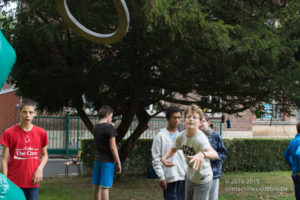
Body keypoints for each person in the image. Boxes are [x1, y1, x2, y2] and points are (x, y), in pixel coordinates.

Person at [162, 104, 219, 200]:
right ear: (184, 120)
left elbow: (215, 155)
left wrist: (202, 154)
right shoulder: (181, 136)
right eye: (188, 117)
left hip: (203, 180)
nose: (191, 119)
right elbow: (173, 148)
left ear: (200, 122)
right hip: (189, 177)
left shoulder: (200, 139)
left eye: (195, 117)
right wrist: (164, 158)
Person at [0, 99, 48, 200]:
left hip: (33, 182)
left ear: (35, 113)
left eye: (30, 112)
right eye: (24, 112)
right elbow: (4, 159)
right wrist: (4, 182)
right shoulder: (9, 133)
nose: (27, 115)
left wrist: (40, 169)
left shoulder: (41, 133)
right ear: (19, 112)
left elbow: (45, 155)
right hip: (13, 182)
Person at [151, 106, 187, 200]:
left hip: (183, 177)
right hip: (169, 178)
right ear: (167, 118)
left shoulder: (183, 136)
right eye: (174, 117)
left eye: (179, 117)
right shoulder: (160, 136)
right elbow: (156, 159)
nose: (177, 120)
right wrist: (161, 177)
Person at [92, 105, 121, 200]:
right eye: (111, 116)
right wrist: (118, 162)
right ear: (107, 115)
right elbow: (113, 147)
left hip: (98, 159)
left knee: (97, 186)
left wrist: (111, 127)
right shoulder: (109, 128)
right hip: (107, 161)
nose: (111, 118)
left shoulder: (95, 127)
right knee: (105, 187)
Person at [200, 114, 227, 200]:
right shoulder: (195, 137)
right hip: (199, 174)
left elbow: (223, 154)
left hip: (213, 173)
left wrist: (213, 159)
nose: (201, 123)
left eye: (203, 121)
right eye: (199, 121)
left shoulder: (216, 136)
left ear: (208, 123)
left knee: (212, 198)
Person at [284, 122, 300, 200]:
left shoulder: (293, 141)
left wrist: (293, 165)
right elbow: (298, 154)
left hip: (294, 174)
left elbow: (286, 155)